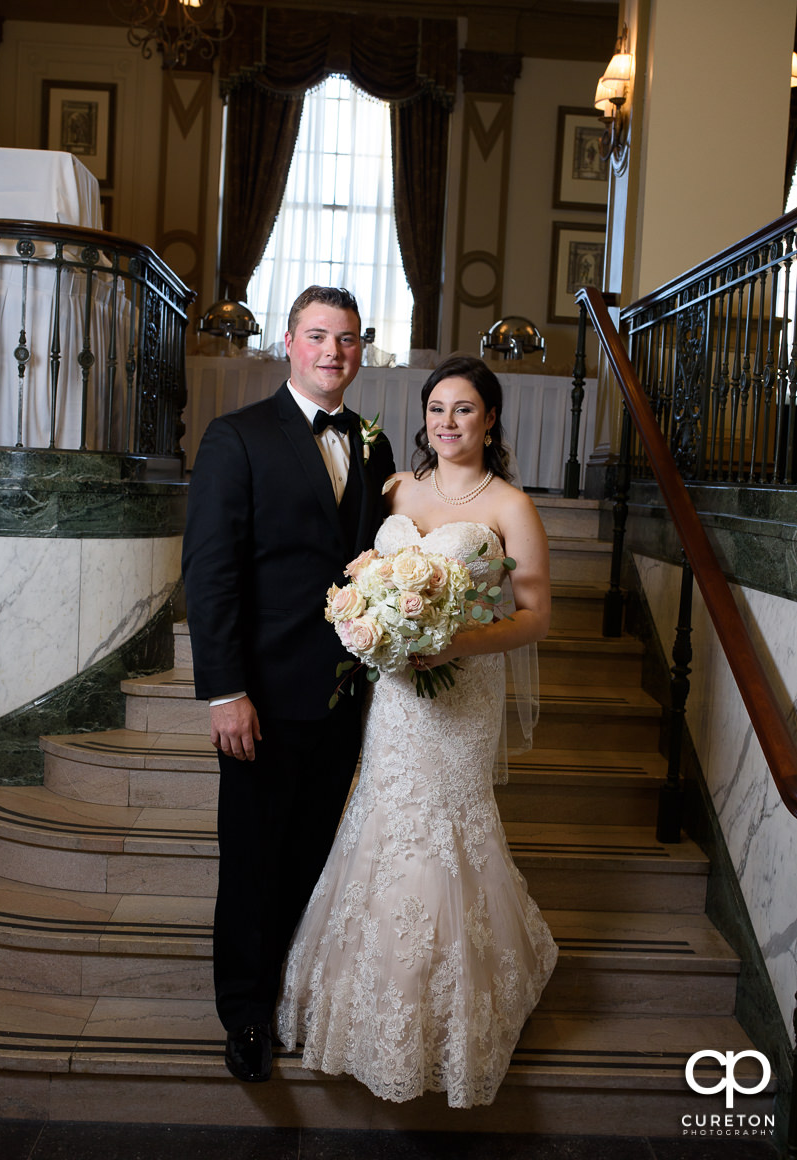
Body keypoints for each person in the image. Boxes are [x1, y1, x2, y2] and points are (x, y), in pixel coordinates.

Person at [276, 354, 559, 1108]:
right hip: (400, 692)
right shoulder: (397, 487)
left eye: (463, 409)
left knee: (443, 828)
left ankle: (450, 1010)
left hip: (463, 691)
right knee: (384, 818)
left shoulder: (509, 505)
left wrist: (458, 641)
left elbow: (535, 617)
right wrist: (371, 620)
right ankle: (370, 1006)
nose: (447, 423)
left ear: (490, 419)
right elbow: (368, 571)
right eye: (437, 409)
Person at [181, 285, 395, 1084]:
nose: (333, 352)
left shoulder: (372, 447)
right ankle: (242, 1015)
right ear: (288, 343)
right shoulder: (236, 437)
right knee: (252, 862)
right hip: (262, 698)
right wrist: (224, 691)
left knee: (311, 855)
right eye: (317, 336)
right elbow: (210, 576)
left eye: (346, 340)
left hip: (345, 697)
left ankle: (291, 997)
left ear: (359, 351)